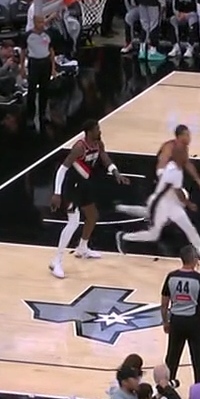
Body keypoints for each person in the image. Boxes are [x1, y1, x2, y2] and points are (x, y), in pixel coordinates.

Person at [49, 119, 130, 279]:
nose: (100, 131)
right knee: (73, 222)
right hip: (71, 187)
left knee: (93, 216)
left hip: (84, 185)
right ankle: (56, 261)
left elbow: (104, 157)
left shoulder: (98, 144)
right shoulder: (79, 147)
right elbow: (62, 169)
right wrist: (57, 193)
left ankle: (82, 248)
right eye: (97, 129)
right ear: (89, 131)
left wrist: (116, 173)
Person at [116, 156, 200, 260]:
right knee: (153, 233)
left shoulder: (170, 171)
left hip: (168, 204)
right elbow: (177, 191)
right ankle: (124, 236)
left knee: (189, 228)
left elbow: (177, 191)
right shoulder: (173, 173)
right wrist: (189, 204)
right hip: (160, 204)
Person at [158, 244, 200, 384]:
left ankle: (165, 389)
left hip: (176, 321)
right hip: (194, 323)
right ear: (195, 259)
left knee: (172, 359)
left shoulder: (171, 277)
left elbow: (164, 304)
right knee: (198, 361)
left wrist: (165, 322)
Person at [23, 15, 54, 131]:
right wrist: (22, 68)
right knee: (31, 91)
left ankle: (43, 113)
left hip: (45, 63)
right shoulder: (27, 35)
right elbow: (23, 51)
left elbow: (51, 51)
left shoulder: (48, 34)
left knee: (44, 90)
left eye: (43, 21)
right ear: (35, 22)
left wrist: (53, 67)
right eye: (39, 22)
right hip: (34, 63)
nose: (42, 24)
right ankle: (30, 117)